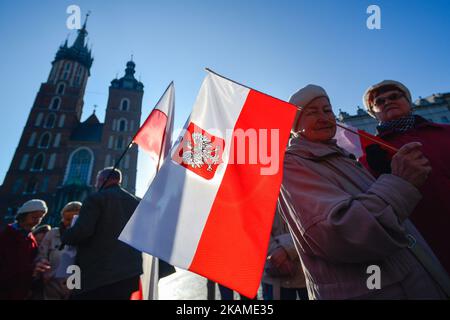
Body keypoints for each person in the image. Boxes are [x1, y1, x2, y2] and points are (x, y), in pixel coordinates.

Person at [277, 84, 446, 299]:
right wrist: (401, 183)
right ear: (296, 125)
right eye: (311, 112)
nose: (323, 117)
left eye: (327, 110)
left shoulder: (344, 159)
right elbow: (341, 231)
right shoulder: (294, 164)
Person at [362, 80, 450, 276]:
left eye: (394, 96)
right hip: (426, 251)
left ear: (409, 102)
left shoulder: (445, 133)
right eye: (379, 101)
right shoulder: (369, 157)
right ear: (374, 113)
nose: (387, 102)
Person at [61, 167, 142, 300]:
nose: (96, 185)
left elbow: (83, 231)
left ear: (102, 180)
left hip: (97, 276)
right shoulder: (136, 202)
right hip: (128, 274)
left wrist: (66, 235)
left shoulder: (96, 198)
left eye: (97, 181)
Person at [0, 199, 48, 299]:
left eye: (41, 217)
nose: (37, 221)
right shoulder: (5, 235)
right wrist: (31, 270)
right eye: (34, 217)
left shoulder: (32, 239)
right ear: (23, 215)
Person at [37, 201, 82, 300]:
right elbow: (42, 254)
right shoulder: (53, 233)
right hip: (51, 280)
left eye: (73, 220)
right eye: (66, 219)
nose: (68, 223)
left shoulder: (84, 237)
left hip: (74, 282)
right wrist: (44, 267)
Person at [262, 213, 308, 300]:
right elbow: (254, 225)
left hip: (308, 275)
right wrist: (275, 252)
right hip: (273, 275)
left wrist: (287, 249)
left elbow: (318, 224)